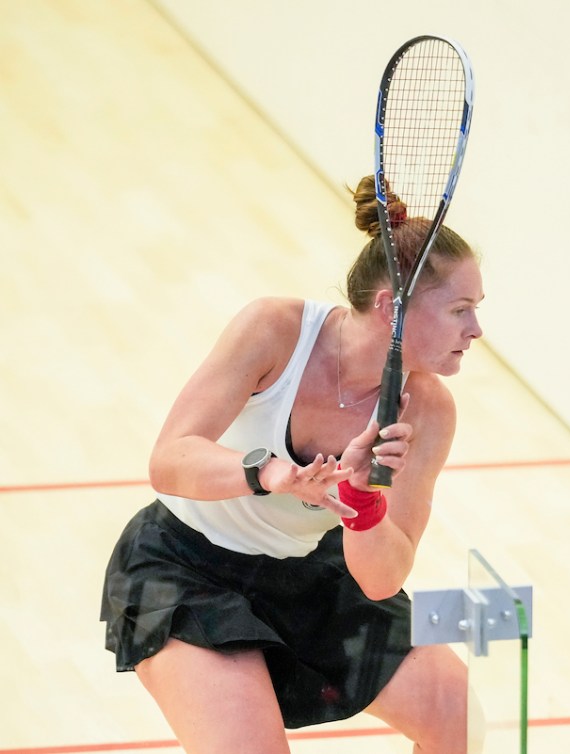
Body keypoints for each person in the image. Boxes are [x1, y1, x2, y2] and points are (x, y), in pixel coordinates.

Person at [101, 174, 485, 754]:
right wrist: (271, 474)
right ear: (392, 308)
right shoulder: (276, 331)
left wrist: (360, 494)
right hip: (184, 571)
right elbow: (170, 459)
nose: (476, 330)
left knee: (453, 712)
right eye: (460, 309)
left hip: (305, 574)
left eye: (475, 310)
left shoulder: (429, 410)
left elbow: (381, 578)